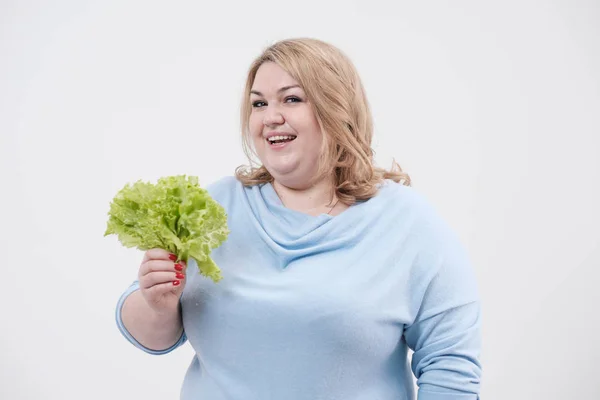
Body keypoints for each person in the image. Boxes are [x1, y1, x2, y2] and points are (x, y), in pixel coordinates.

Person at [115, 37, 482, 400]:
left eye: (291, 99)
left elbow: (450, 366)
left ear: (338, 109)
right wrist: (157, 304)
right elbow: (152, 338)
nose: (270, 117)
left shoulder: (407, 223)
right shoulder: (215, 206)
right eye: (259, 103)